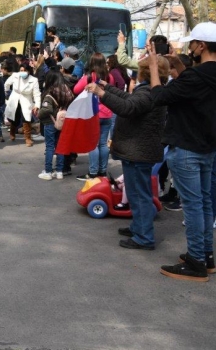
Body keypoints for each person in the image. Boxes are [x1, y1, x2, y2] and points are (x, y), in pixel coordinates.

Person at [149, 22, 216, 281]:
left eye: (193, 43)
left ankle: (196, 262)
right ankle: (206, 257)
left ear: (200, 46)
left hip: (186, 149)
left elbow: (158, 97)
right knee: (205, 203)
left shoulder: (194, 78)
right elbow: (192, 86)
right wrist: (178, 64)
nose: (190, 47)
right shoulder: (200, 76)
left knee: (194, 207)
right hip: (208, 148)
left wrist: (155, 68)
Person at [86, 56, 169, 250]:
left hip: (139, 152)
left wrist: (101, 93)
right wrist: (108, 88)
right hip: (138, 152)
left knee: (140, 195)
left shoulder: (148, 92)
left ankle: (144, 237)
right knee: (135, 192)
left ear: (144, 72)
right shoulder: (150, 91)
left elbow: (127, 107)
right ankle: (138, 227)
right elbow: (130, 99)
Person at [72, 53, 115, 180]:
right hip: (107, 113)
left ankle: (93, 172)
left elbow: (75, 90)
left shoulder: (89, 77)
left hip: (93, 113)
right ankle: (102, 172)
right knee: (103, 144)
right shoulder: (109, 76)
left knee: (93, 144)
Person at [37, 70, 73, 180]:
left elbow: (47, 109)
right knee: (59, 147)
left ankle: (48, 171)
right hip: (62, 123)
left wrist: (39, 113)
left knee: (49, 147)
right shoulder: (67, 92)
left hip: (50, 123)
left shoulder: (50, 93)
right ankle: (59, 171)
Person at [3, 64, 41, 147]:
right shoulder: (15, 76)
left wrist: (37, 105)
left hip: (26, 100)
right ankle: (12, 131)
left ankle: (28, 138)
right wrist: (7, 93)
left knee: (26, 119)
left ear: (28, 71)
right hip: (15, 98)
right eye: (21, 70)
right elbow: (6, 84)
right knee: (14, 118)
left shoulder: (34, 80)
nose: (22, 72)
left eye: (24, 70)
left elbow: (36, 94)